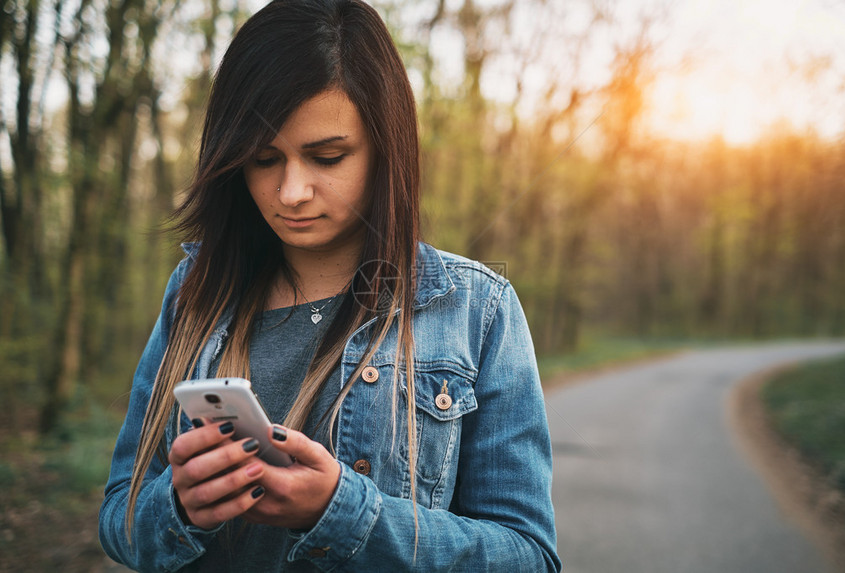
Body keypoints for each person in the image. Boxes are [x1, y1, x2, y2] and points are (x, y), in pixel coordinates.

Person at [98, 0, 560, 571]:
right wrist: (179, 509)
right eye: (263, 159)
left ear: (386, 150)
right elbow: (119, 518)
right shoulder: (197, 291)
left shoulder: (475, 309)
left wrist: (343, 514)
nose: (291, 191)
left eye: (326, 156)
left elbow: (529, 556)